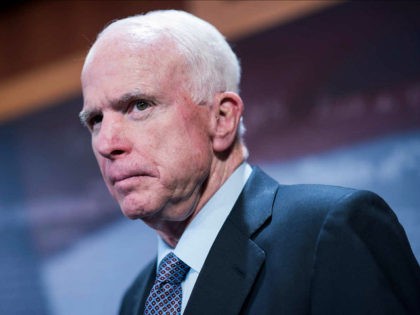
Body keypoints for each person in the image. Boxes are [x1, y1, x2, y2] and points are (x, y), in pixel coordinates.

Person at [79, 9, 420, 315]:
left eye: (139, 105)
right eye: (95, 120)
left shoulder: (329, 233)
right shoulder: (137, 299)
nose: (107, 143)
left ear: (222, 118)